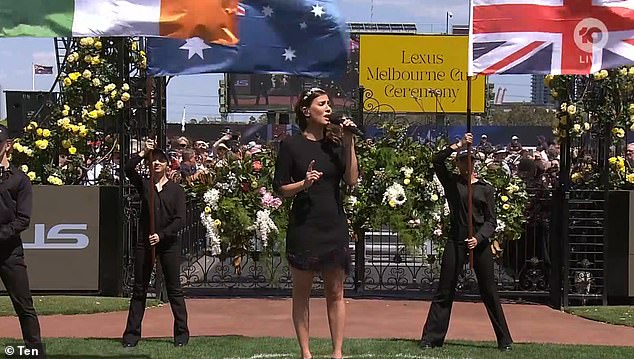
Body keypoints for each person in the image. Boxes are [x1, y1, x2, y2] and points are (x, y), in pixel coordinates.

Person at [273, 88, 359, 359]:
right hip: (304, 226)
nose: (328, 109)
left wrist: (349, 142)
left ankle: (337, 352)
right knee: (302, 293)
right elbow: (280, 188)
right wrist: (304, 183)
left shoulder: (335, 143)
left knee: (336, 291)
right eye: (322, 104)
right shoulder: (291, 145)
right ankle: (306, 352)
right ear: (306, 110)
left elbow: (352, 180)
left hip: (333, 224)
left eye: (329, 104)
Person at [420, 132, 513, 352]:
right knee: (445, 289)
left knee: (489, 290)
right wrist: (459, 145)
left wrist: (479, 238)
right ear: (458, 163)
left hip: (478, 243)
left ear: (475, 162)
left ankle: (505, 340)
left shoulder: (485, 188)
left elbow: (492, 221)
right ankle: (431, 338)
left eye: (469, 159)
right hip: (456, 239)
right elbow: (436, 160)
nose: (466, 164)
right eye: (462, 160)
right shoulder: (452, 183)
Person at [122, 139, 189, 348]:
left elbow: (180, 219)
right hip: (145, 243)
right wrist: (144, 152)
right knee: (139, 288)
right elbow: (128, 168)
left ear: (167, 165)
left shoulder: (176, 191)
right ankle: (131, 336)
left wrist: (161, 235)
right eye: (155, 160)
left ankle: (181, 335)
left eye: (161, 160)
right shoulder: (145, 185)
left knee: (174, 289)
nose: (157, 163)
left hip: (168, 244)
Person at [0, 125, 43, 356]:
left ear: (8, 146)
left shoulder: (19, 179)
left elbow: (23, 219)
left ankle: (35, 351)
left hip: (9, 251)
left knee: (24, 305)